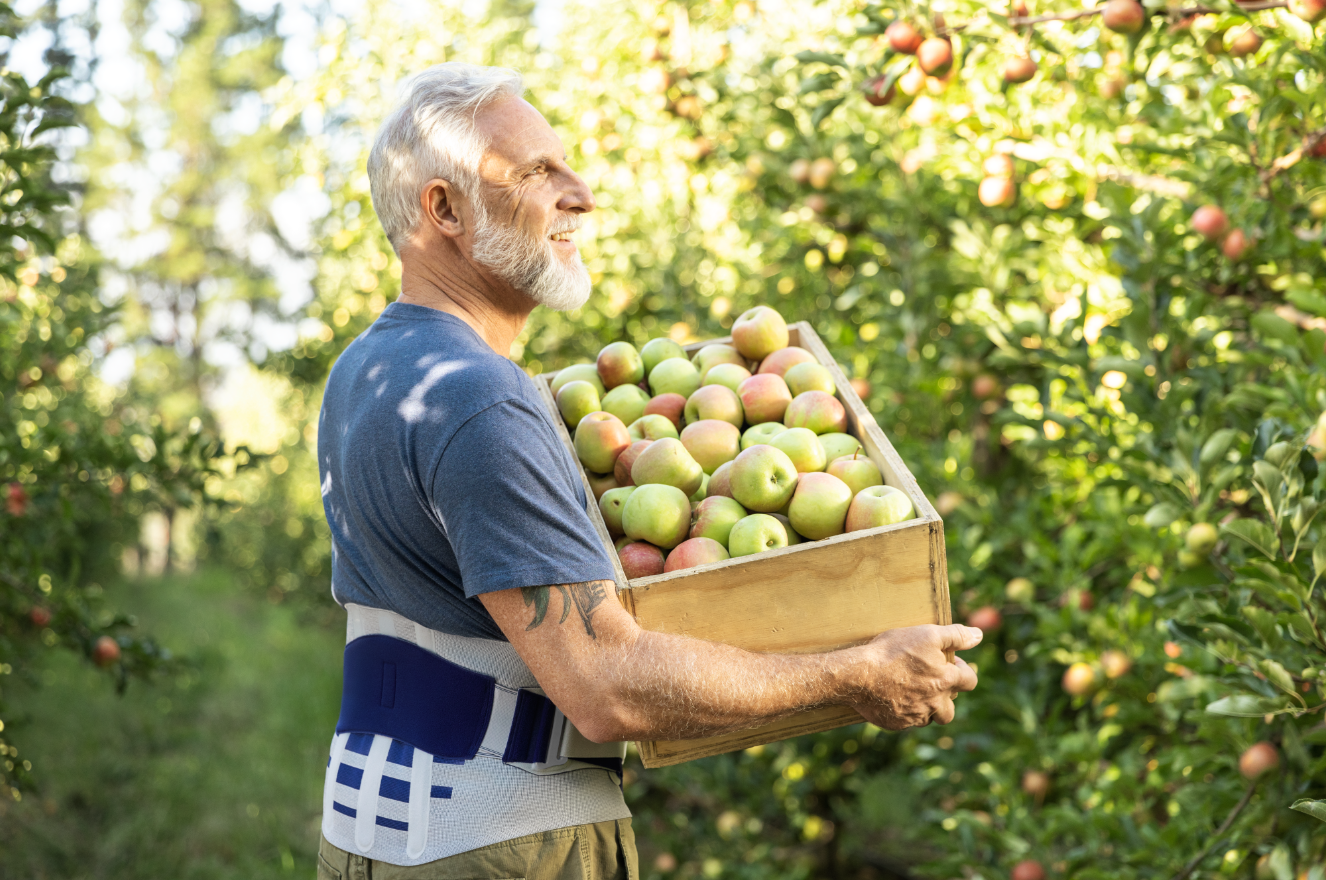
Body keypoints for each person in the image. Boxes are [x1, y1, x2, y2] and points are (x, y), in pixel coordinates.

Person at [314, 62, 982, 880]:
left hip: (372, 835)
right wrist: (857, 676)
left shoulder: (367, 372)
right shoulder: (483, 400)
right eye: (536, 173)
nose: (582, 195)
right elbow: (606, 690)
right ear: (444, 208)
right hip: (503, 844)